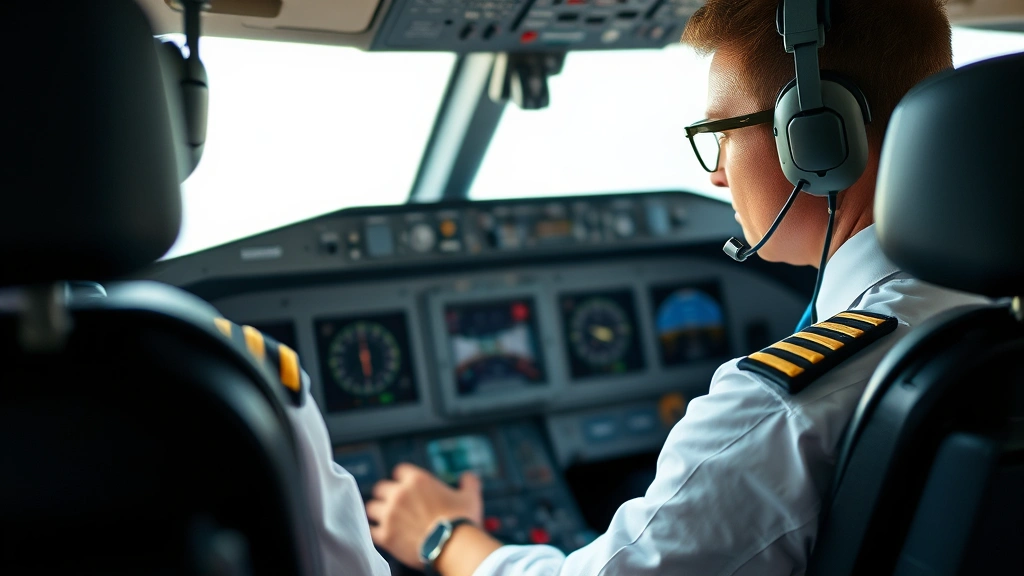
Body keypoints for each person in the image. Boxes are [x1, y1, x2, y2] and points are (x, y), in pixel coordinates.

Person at [364, 1, 990, 575]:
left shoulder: (782, 411)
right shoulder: (987, 312)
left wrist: (446, 536)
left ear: (818, 137)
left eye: (722, 133)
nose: (716, 176)